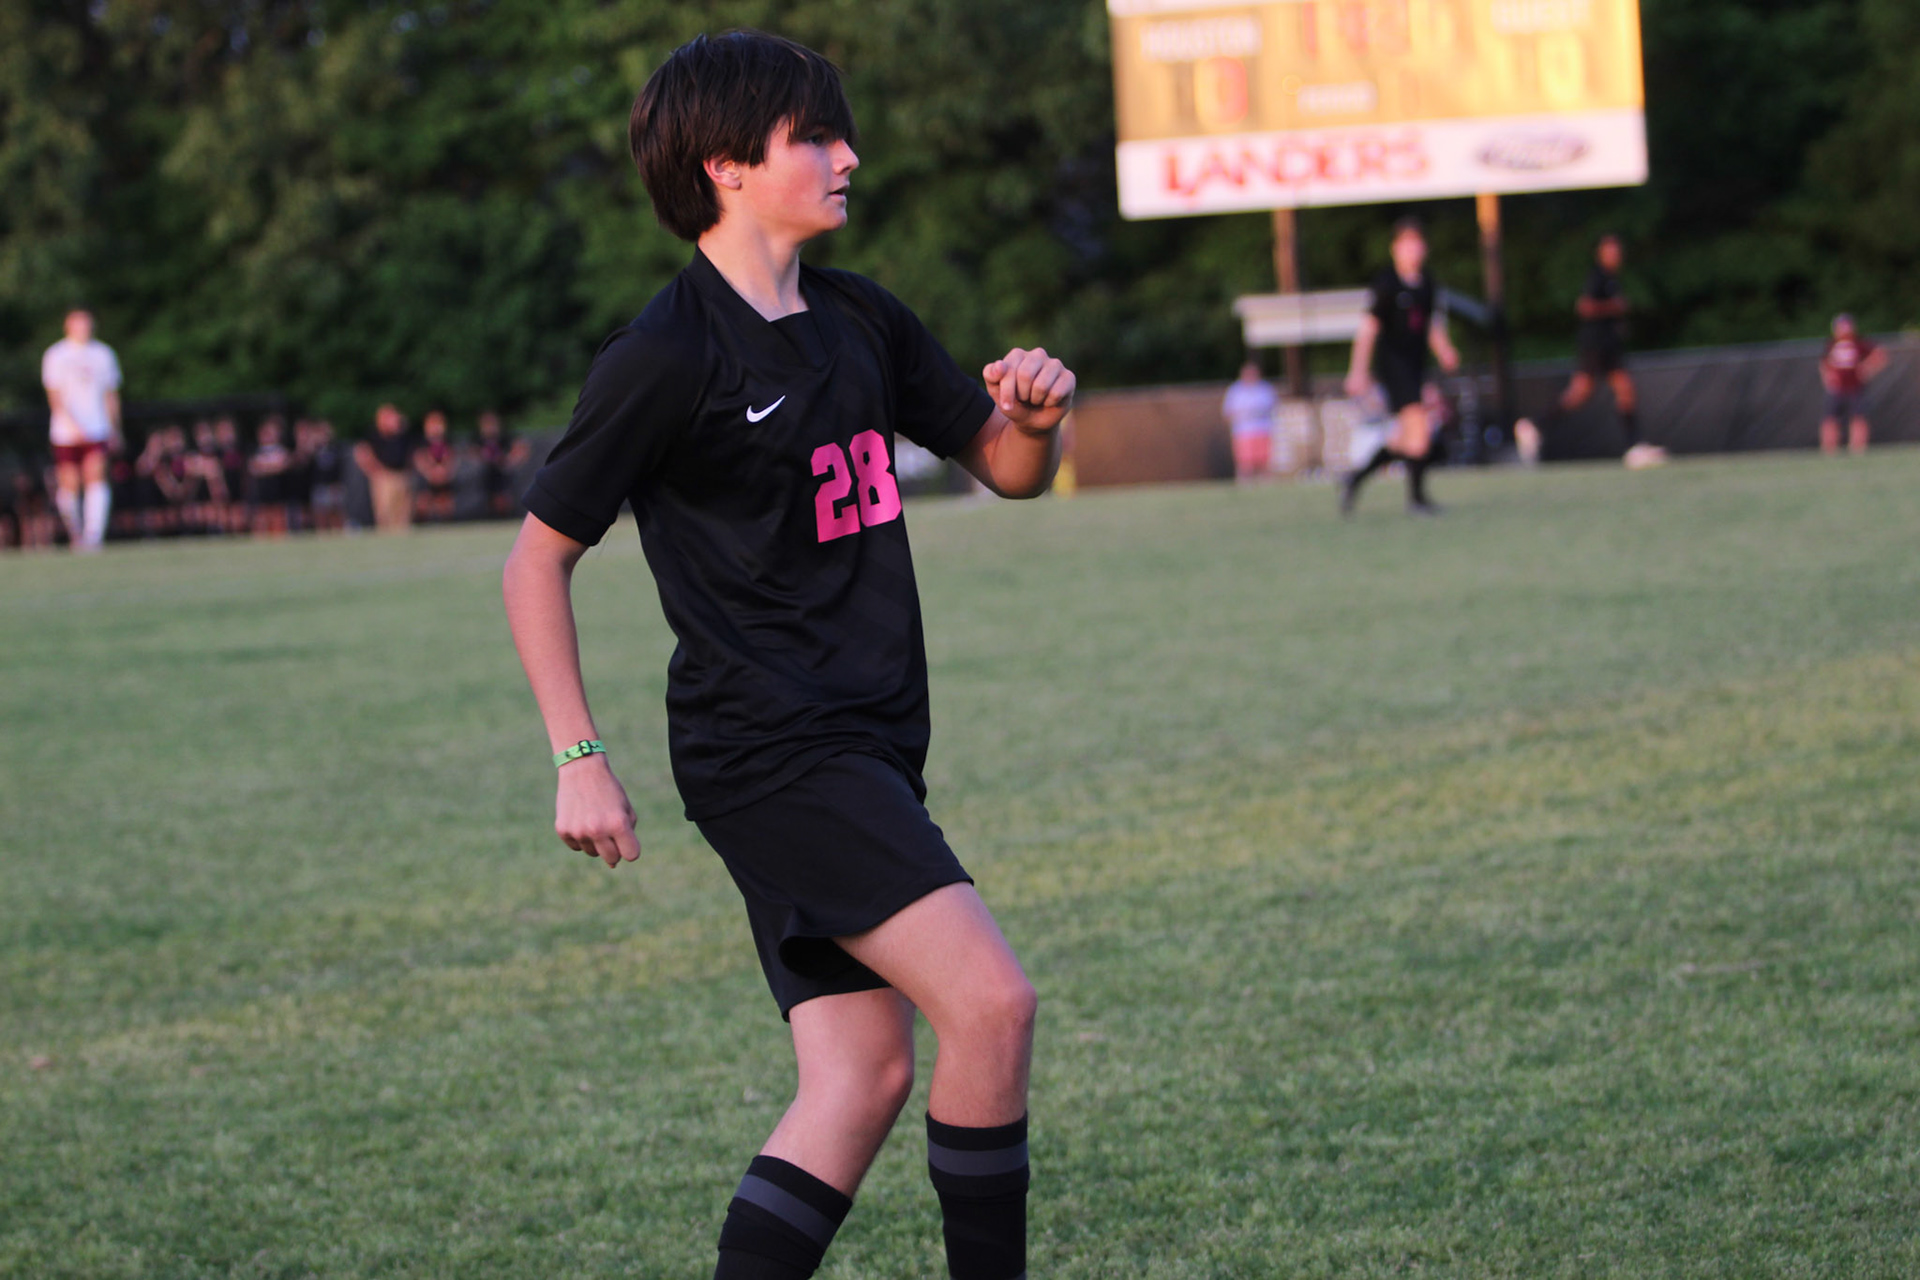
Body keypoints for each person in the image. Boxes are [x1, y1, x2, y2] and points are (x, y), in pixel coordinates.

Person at [501, 32, 1070, 1280]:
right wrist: (578, 754)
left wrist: (1034, 420)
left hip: (870, 741)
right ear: (726, 167)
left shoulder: (860, 317)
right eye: (813, 136)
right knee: (992, 1003)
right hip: (771, 750)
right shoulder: (665, 354)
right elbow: (535, 560)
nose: (847, 154)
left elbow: (1008, 468)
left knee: (859, 1075)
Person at [1341, 216, 1460, 515]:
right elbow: (1368, 330)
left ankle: (1354, 478)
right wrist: (1358, 371)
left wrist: (1444, 350)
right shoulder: (1387, 283)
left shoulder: (1427, 282)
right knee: (1419, 427)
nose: (1413, 250)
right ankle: (1416, 501)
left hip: (1416, 365)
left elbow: (1430, 324)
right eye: (1406, 244)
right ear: (1395, 248)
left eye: (1417, 244)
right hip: (1394, 366)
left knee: (1404, 440)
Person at [1553, 234, 1664, 469]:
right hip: (1596, 346)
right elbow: (1584, 307)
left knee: (1625, 389)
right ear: (1601, 254)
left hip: (1609, 346)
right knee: (1579, 394)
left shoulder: (1612, 278)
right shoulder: (1597, 276)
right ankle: (1536, 425)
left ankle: (1635, 447)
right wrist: (1614, 307)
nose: (1616, 256)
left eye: (1618, 252)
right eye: (1611, 252)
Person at [41, 308, 124, 551]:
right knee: (69, 482)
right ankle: (75, 533)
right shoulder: (56, 354)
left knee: (95, 476)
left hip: (97, 427)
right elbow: (54, 395)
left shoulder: (103, 353)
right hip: (65, 432)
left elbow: (111, 394)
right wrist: (71, 425)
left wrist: (115, 428)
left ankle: (93, 535)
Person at [1819, 313, 1886, 455]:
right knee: (1830, 418)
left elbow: (1879, 355)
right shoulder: (1831, 344)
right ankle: (1829, 448)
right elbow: (1824, 363)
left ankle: (1857, 447)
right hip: (1837, 388)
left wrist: (1868, 368)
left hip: (1855, 387)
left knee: (1858, 417)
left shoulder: (1859, 342)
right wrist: (1828, 378)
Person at [354, 403, 415, 532]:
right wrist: (375, 471)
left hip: (402, 475)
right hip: (384, 477)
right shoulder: (374, 435)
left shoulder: (402, 435)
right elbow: (361, 452)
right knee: (385, 515)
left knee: (402, 515)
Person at [1221, 360, 1278, 483]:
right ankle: (1245, 485)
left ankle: (1267, 485)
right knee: (1245, 463)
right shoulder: (1235, 391)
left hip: (1263, 430)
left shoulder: (1265, 389)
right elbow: (1228, 412)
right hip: (1244, 432)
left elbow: (1273, 408)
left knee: (1264, 462)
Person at [476, 409, 530, 517]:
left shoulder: (506, 438)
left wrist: (507, 461)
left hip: (505, 475)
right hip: (487, 477)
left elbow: (521, 449)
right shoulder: (477, 441)